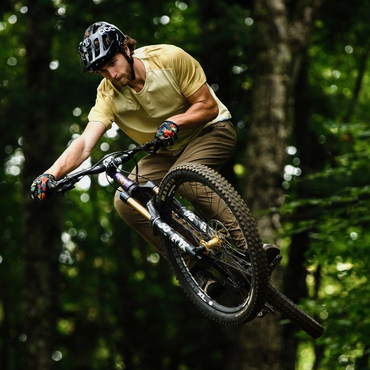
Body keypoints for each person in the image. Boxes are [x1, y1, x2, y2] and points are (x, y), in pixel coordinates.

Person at [30, 21, 280, 289]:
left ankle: (252, 250)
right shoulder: (107, 94)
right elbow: (85, 143)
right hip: (166, 151)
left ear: (127, 48)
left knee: (183, 176)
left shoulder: (170, 59)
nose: (111, 75)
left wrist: (177, 122)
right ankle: (195, 268)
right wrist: (51, 173)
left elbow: (207, 107)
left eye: (113, 63)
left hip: (210, 131)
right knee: (125, 200)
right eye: (102, 71)